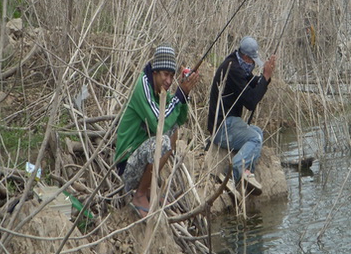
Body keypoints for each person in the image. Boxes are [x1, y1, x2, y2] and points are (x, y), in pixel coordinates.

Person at [115, 45, 199, 217]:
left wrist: (184, 95)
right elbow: (157, 125)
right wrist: (178, 96)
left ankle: (149, 190)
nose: (169, 81)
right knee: (163, 141)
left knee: (173, 130)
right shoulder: (143, 86)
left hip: (140, 159)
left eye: (172, 76)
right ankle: (139, 195)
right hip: (126, 166)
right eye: (165, 75)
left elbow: (179, 119)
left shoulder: (161, 91)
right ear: (155, 72)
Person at [207, 36, 276, 193]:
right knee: (255, 138)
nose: (253, 65)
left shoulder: (238, 65)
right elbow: (250, 102)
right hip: (222, 126)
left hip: (229, 123)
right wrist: (264, 77)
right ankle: (230, 175)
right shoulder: (233, 70)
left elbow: (253, 84)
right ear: (246, 57)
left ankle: (246, 173)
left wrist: (267, 77)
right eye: (252, 61)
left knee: (258, 132)